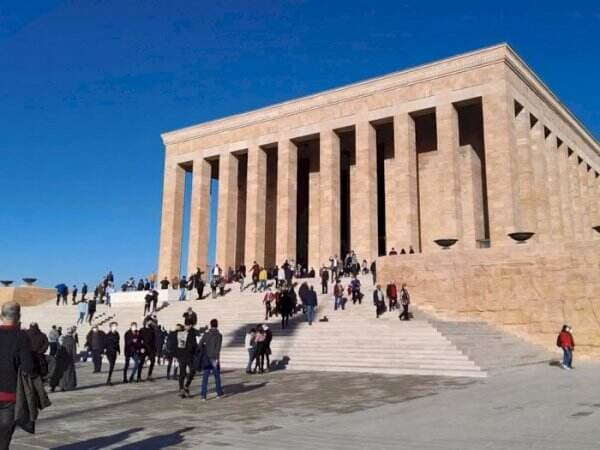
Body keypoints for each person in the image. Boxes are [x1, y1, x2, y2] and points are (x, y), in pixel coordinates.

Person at [0, 302, 34, 449]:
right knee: (4, 437)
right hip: (10, 395)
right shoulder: (22, 337)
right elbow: (28, 367)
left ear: (1, 316)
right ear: (19, 316)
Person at [199, 319, 224, 400]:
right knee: (216, 376)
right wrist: (217, 358)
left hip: (206, 357)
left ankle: (203, 395)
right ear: (217, 325)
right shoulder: (219, 335)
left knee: (205, 377)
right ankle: (218, 393)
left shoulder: (206, 334)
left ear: (210, 325)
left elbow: (200, 344)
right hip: (214, 358)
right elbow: (218, 348)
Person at [176, 321, 197, 398]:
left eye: (188, 325)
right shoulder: (181, 333)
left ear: (191, 326)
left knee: (193, 370)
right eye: (186, 325)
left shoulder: (193, 333)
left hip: (190, 356)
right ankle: (181, 389)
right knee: (182, 373)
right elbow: (179, 345)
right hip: (182, 355)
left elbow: (194, 344)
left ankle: (186, 386)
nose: (187, 327)